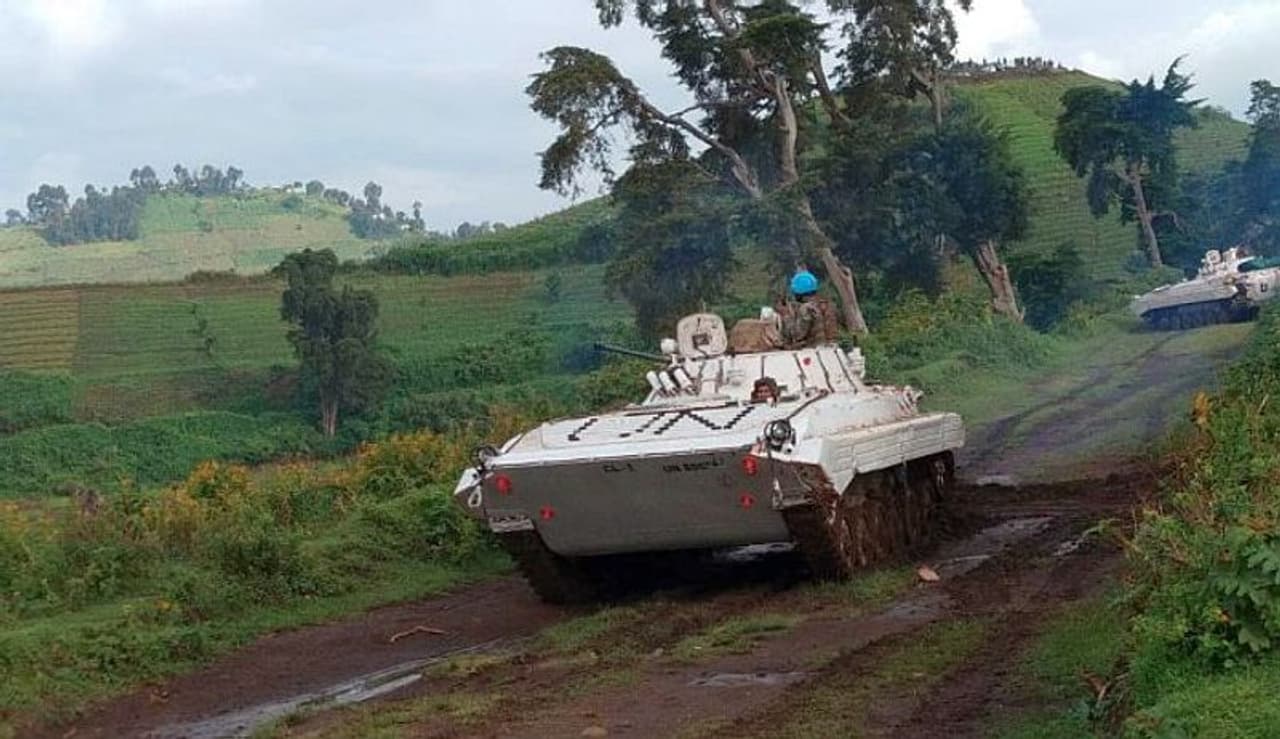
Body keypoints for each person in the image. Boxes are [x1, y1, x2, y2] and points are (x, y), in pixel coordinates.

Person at [779, 270, 838, 348]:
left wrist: (786, 315)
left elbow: (797, 335)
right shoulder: (826, 305)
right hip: (830, 350)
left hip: (812, 351)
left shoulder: (806, 309)